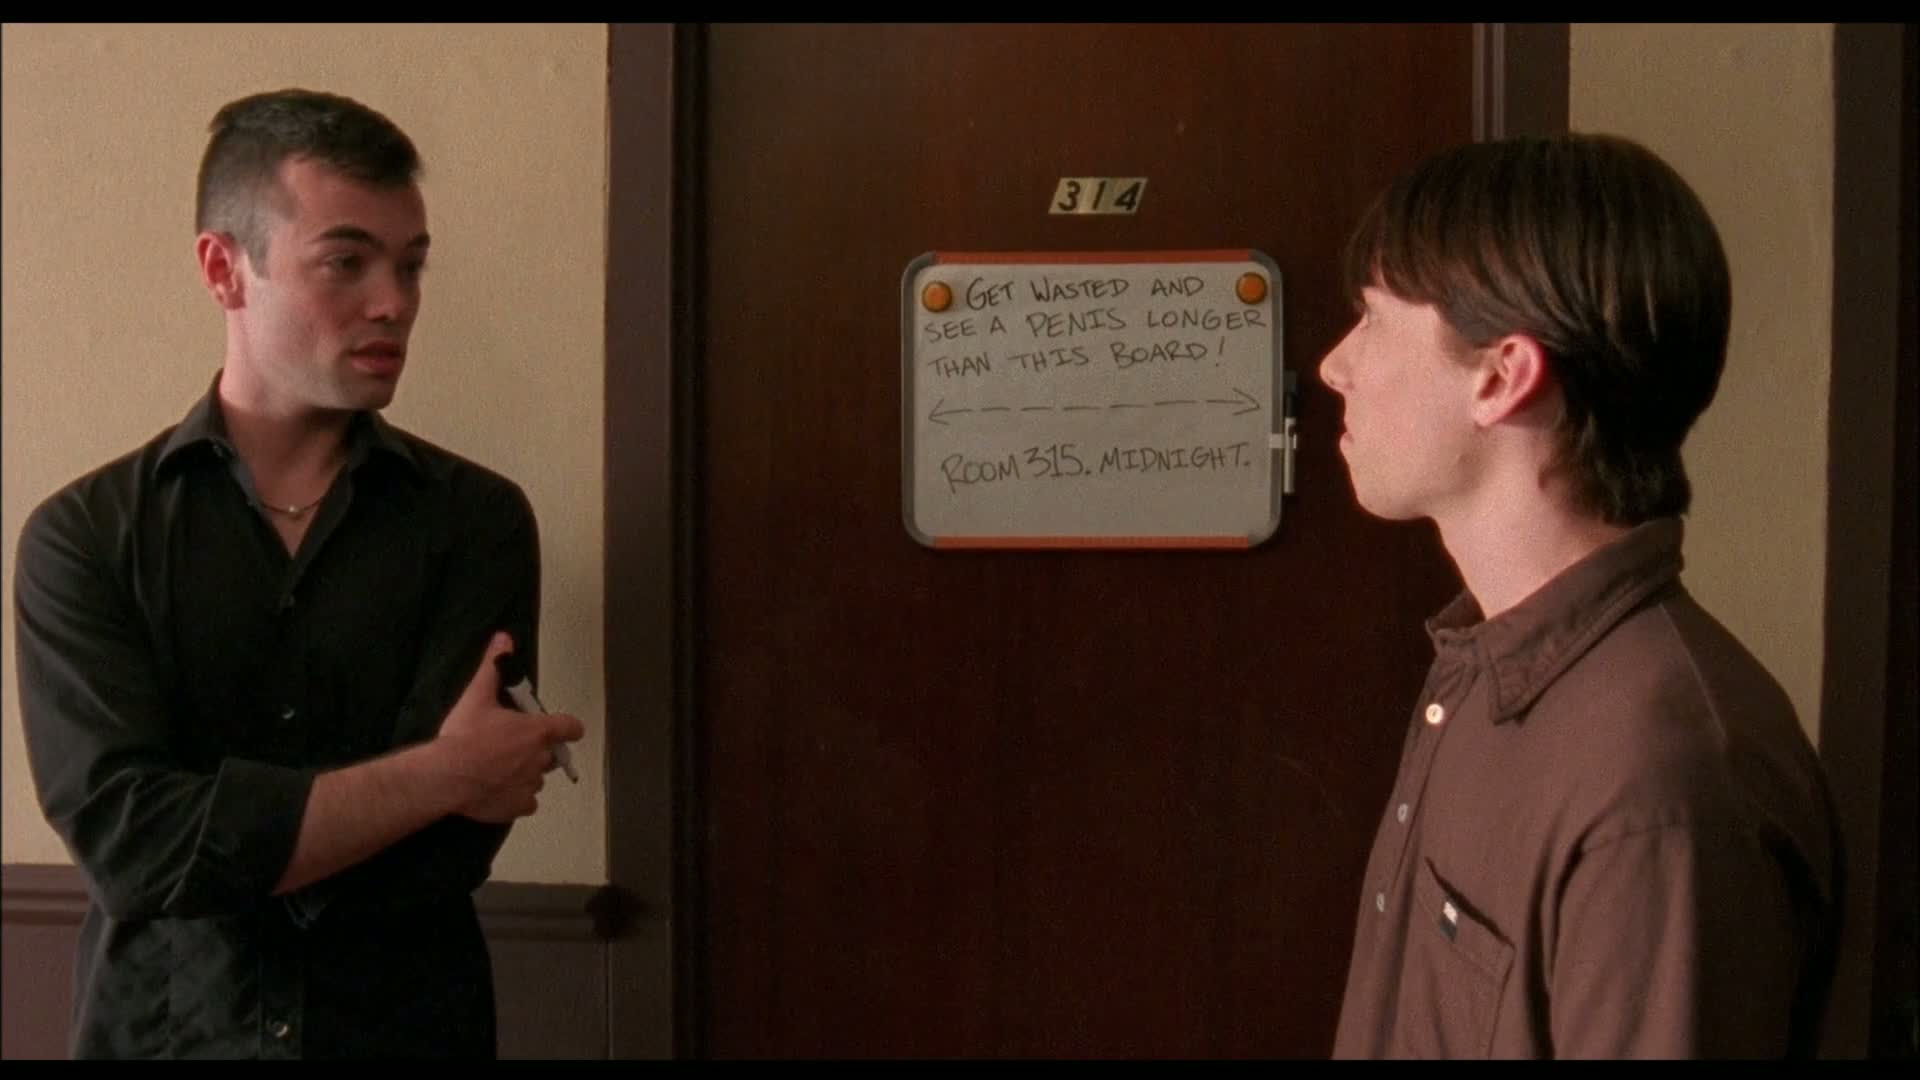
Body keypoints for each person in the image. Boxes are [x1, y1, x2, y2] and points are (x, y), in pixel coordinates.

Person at [13, 88, 584, 1059]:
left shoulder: (475, 523)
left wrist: (232, 840)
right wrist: (442, 772)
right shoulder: (86, 537)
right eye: (345, 262)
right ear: (223, 269)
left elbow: (445, 854)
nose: (393, 302)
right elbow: (134, 851)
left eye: (410, 265)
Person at [1319, 133, 1843, 1059]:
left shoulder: (1660, 786)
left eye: (1374, 318)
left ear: (1502, 376)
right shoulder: (1480, 670)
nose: (1335, 364)